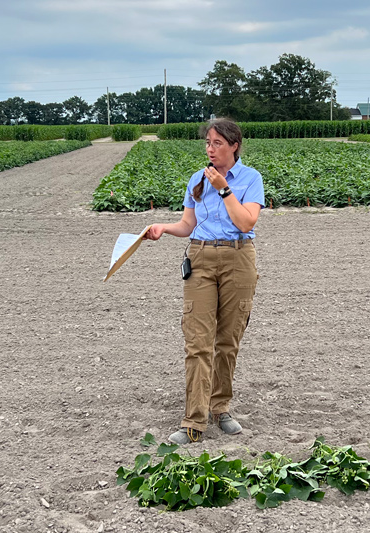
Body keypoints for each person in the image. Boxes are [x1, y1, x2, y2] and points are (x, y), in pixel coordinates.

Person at [143, 118, 264, 445]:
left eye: (217, 143)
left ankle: (220, 408)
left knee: (227, 341)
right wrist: (163, 228)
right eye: (207, 143)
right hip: (200, 258)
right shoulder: (197, 179)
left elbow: (245, 221)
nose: (210, 149)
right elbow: (188, 223)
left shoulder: (251, 179)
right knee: (197, 341)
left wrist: (224, 188)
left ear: (234, 145)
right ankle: (193, 421)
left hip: (238, 258)